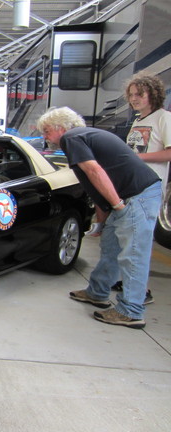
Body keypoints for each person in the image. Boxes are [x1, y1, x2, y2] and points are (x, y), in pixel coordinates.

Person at [37, 106, 161, 329]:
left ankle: (131, 311)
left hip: (137, 196)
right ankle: (98, 292)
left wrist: (117, 205)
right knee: (111, 246)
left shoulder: (72, 138)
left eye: (46, 131)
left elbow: (94, 171)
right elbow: (94, 186)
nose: (44, 136)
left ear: (60, 127)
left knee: (133, 254)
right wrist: (103, 220)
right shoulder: (83, 137)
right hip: (129, 196)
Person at [109, 71, 171, 303]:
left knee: (140, 241)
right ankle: (129, 281)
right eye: (131, 95)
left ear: (152, 94)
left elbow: (168, 153)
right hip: (132, 186)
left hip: (149, 187)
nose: (134, 99)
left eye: (140, 94)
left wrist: (137, 159)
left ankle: (141, 291)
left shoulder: (164, 118)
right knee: (129, 238)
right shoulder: (139, 120)